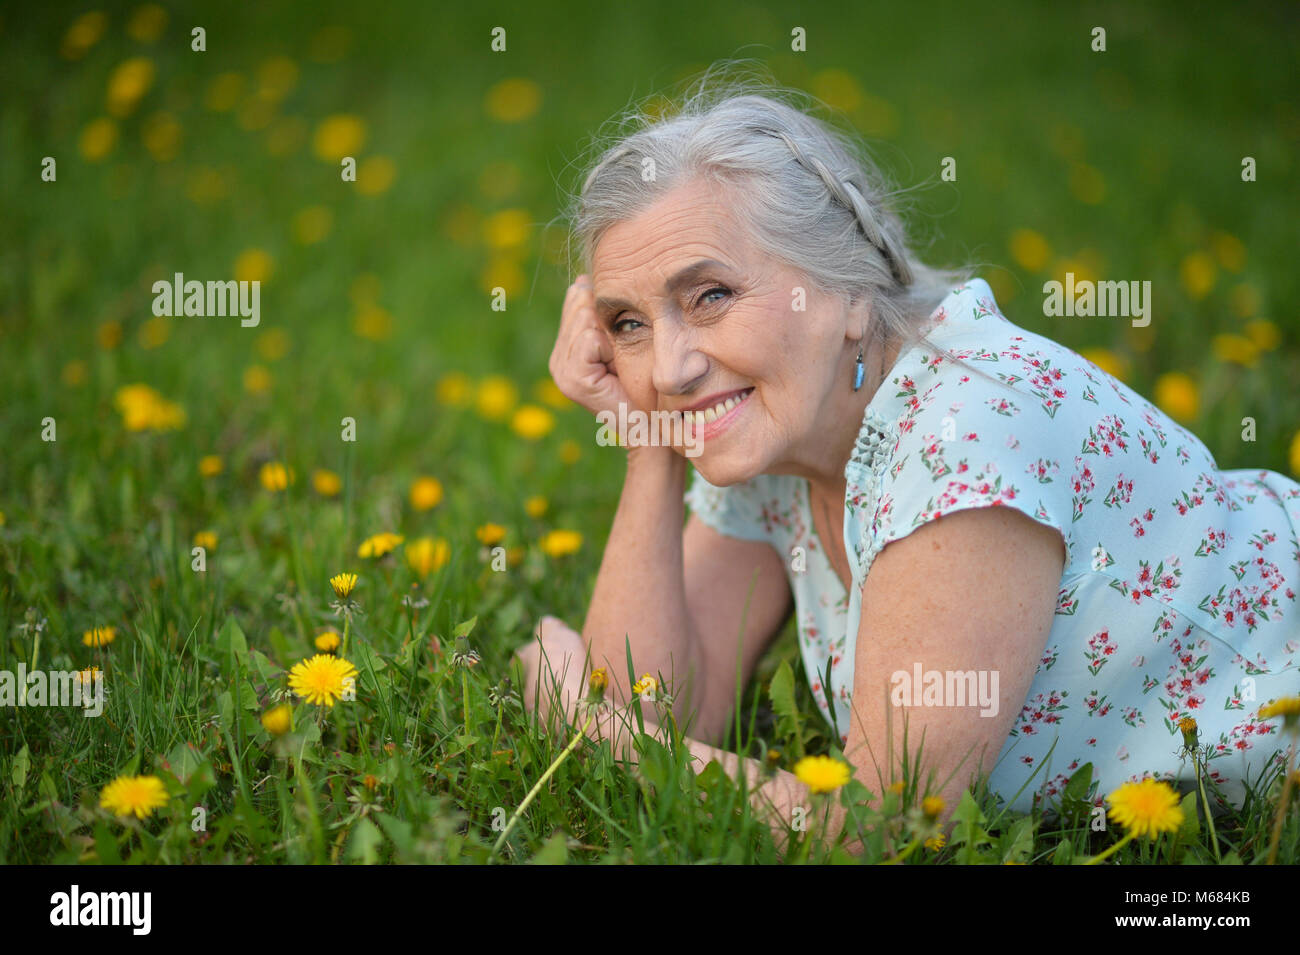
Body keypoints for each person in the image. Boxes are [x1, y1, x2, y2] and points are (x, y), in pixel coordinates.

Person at [513, 71, 1300, 850]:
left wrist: (593, 731)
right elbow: (671, 706)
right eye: (628, 323)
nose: (669, 368)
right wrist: (650, 440)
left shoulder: (968, 431)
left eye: (709, 295)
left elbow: (885, 827)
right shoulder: (779, 428)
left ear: (849, 291)